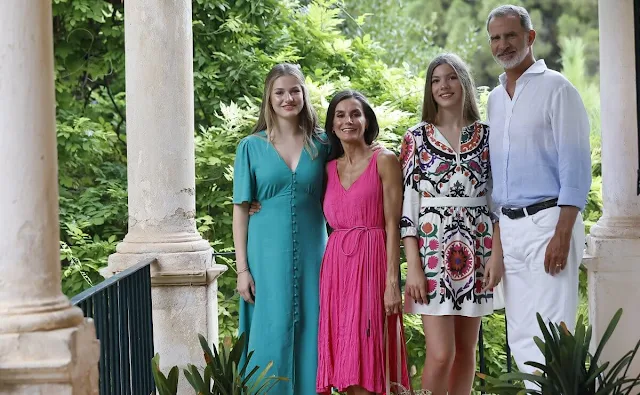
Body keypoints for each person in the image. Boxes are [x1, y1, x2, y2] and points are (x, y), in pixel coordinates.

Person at [485, 4, 591, 385]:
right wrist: (497, 248)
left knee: (554, 332)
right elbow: (497, 183)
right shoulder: (495, 100)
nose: (502, 45)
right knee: (522, 336)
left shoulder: (558, 89)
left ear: (529, 37)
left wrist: (562, 234)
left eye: (510, 35)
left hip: (550, 222)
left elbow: (576, 169)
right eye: (495, 38)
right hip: (510, 228)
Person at [400, 53, 503, 395]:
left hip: (476, 252)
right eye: (435, 80)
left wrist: (495, 255)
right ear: (429, 89)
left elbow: (497, 202)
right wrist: (413, 265)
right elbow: (408, 208)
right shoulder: (415, 138)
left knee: (465, 352)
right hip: (432, 255)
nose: (443, 86)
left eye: (451, 77)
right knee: (441, 353)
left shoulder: (488, 137)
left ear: (465, 83)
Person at [232, 63, 330, 395]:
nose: (288, 98)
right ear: (269, 98)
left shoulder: (324, 144)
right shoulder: (251, 146)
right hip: (265, 255)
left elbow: (351, 180)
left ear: (303, 94)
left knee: (314, 327)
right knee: (268, 332)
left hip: (316, 254)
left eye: (294, 90)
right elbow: (241, 212)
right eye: (280, 92)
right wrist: (242, 269)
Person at [316, 90, 410, 395]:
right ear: (331, 125)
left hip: (372, 266)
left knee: (370, 355)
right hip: (337, 271)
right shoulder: (328, 169)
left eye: (355, 114)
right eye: (340, 115)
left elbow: (394, 225)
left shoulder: (384, 160)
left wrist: (392, 283)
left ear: (366, 120)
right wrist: (256, 205)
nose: (348, 121)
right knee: (345, 362)